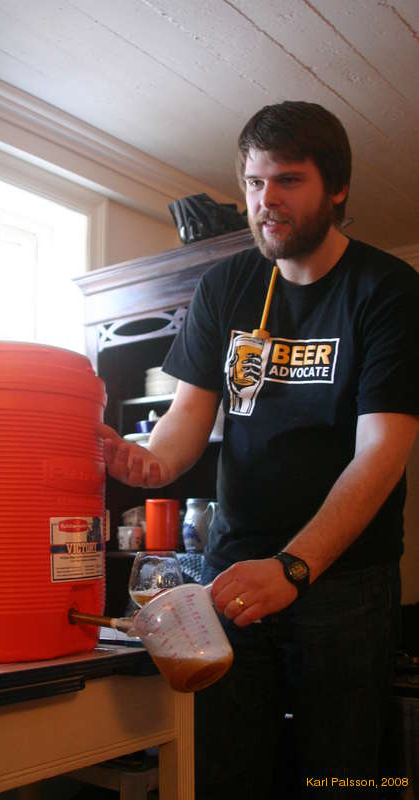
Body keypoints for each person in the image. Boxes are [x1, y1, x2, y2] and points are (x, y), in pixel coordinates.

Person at [97, 101, 419, 798]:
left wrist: (294, 567)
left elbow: (380, 454)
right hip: (231, 575)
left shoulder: (388, 290)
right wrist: (142, 462)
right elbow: (184, 423)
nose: (264, 200)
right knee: (226, 772)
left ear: (337, 188)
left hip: (343, 584)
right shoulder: (227, 285)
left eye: (288, 180)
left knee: (341, 779)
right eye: (253, 182)